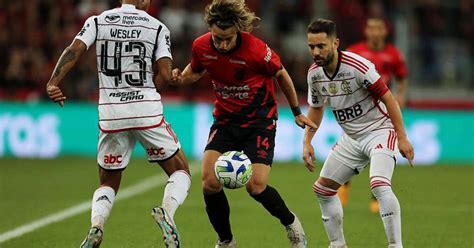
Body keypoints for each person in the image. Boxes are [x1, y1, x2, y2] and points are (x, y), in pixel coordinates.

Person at [170, 1, 317, 247]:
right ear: (210, 29)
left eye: (227, 38)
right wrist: (182, 78)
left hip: (259, 121)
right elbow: (196, 70)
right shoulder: (201, 45)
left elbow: (281, 74)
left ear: (238, 30)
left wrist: (295, 112)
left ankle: (290, 222)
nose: (222, 44)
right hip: (225, 120)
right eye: (218, 38)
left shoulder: (257, 51)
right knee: (208, 182)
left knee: (256, 187)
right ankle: (226, 241)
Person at [45, 1, 191, 247]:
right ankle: (167, 211)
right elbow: (165, 77)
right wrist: (168, 81)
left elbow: (74, 49)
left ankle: (96, 226)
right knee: (181, 171)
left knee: (108, 181)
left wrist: (53, 82)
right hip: (147, 112)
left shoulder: (97, 21)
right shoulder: (157, 27)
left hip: (112, 113)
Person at [302, 19, 414, 248]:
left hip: (379, 131)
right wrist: (307, 141)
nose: (316, 52)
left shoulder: (358, 66)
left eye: (321, 46)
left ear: (335, 43)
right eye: (311, 46)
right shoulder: (314, 74)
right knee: (322, 189)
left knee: (379, 185)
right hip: (352, 139)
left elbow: (388, 98)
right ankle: (337, 245)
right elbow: (316, 108)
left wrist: (401, 137)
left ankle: (396, 246)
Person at [339, 17, 409, 212]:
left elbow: (401, 78)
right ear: (366, 31)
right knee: (350, 150)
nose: (375, 32)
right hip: (358, 111)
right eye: (371, 28)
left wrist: (401, 96)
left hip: (383, 110)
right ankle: (343, 188)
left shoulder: (393, 54)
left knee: (382, 153)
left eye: (379, 28)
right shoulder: (354, 51)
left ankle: (376, 197)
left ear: (385, 31)